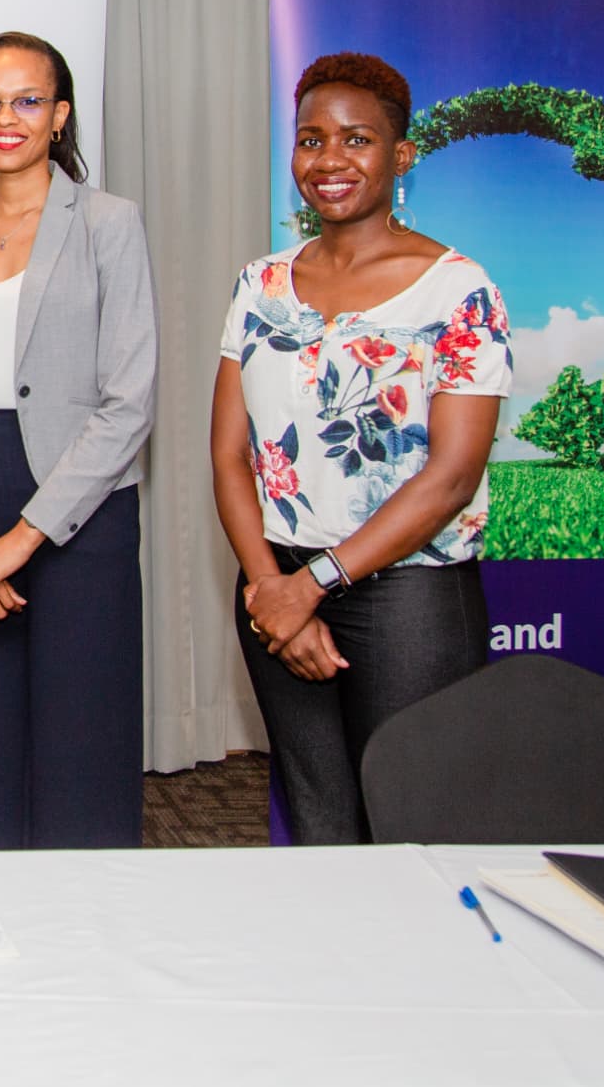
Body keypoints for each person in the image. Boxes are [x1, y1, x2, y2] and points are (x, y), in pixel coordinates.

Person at [212, 51, 511, 844]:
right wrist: (272, 586)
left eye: (356, 139)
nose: (330, 161)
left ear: (400, 154)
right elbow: (229, 453)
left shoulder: (459, 289)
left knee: (413, 823)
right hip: (273, 584)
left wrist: (313, 584)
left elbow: (451, 478)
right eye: (311, 141)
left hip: (410, 596)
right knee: (318, 820)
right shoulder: (260, 284)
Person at [0, 32, 156, 850]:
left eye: (26, 100)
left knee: (81, 746)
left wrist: (18, 542)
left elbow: (129, 403)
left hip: (81, 515)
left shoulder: (110, 224)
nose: (4, 117)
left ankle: (84, 943)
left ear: (60, 115)